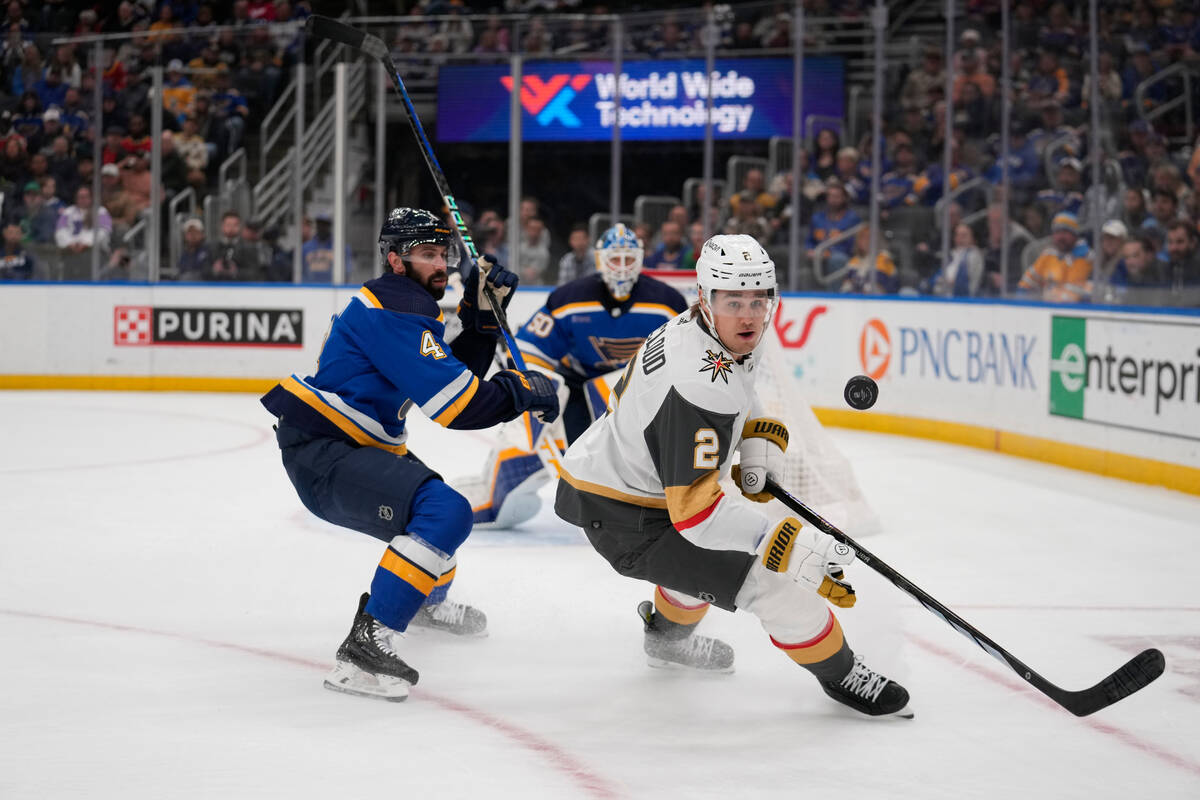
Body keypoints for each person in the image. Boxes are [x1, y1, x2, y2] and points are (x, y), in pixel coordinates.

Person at [552, 234, 912, 718]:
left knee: (702, 565)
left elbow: (741, 388)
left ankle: (664, 639)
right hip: (624, 516)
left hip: (629, 485)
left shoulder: (715, 330)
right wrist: (790, 545)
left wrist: (757, 452)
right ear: (706, 298)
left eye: (758, 299)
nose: (748, 314)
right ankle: (843, 674)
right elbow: (697, 518)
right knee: (776, 585)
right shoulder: (694, 381)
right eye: (734, 301)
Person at [260, 208, 559, 701]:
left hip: (346, 446)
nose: (439, 264)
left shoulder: (404, 303)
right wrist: (518, 391)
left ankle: (424, 601)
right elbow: (456, 406)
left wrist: (480, 322)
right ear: (395, 260)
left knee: (435, 504)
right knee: (443, 510)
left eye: (442, 253)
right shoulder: (395, 307)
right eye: (426, 254)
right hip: (326, 454)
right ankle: (365, 646)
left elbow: (451, 373)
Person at [461, 223, 689, 529]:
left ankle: (661, 495)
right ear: (599, 261)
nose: (621, 268)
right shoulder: (571, 298)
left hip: (638, 395)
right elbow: (530, 350)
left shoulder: (667, 303)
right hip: (579, 389)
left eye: (628, 259)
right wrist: (533, 378)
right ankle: (500, 487)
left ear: (640, 259)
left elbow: (683, 360)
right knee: (538, 399)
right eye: (614, 260)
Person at [1017, 212, 1092, 303]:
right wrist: (1022, 293)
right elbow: (1028, 280)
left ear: (1075, 235)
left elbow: (1072, 296)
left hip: (1075, 311)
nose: (1060, 237)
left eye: (1065, 232)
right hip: (1048, 308)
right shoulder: (1049, 254)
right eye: (1057, 232)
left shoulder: (1086, 257)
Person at [925, 222, 984, 297]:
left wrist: (945, 281)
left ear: (973, 239)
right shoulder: (952, 255)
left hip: (961, 300)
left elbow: (961, 283)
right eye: (957, 235)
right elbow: (934, 279)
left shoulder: (974, 255)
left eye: (964, 236)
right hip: (939, 298)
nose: (959, 239)